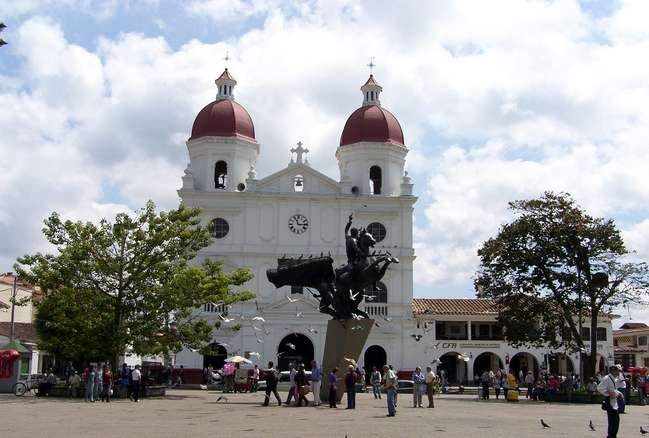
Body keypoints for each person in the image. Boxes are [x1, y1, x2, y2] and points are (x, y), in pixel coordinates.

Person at [598, 365, 623, 438]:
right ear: (613, 371)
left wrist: (619, 393)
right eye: (618, 371)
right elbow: (600, 388)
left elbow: (613, 389)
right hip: (609, 399)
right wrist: (608, 393)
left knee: (614, 418)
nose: (619, 372)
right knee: (613, 418)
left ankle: (612, 434)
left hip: (613, 400)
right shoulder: (607, 378)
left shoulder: (613, 379)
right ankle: (612, 435)